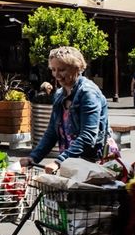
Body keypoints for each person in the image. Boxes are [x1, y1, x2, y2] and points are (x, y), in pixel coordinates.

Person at [20, 46, 111, 174]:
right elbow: (52, 131)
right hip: (71, 163)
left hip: (92, 163)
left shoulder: (88, 93)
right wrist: (33, 157)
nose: (56, 75)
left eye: (61, 70)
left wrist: (59, 161)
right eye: (53, 69)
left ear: (77, 68)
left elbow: (88, 136)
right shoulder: (59, 94)